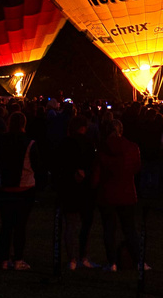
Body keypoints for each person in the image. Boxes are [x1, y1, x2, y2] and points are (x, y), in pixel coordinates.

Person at [97, 119, 145, 274]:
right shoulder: (132, 147)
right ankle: (138, 261)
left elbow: (97, 173)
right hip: (126, 192)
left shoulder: (102, 149)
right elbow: (136, 168)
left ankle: (112, 262)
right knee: (130, 228)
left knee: (109, 229)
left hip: (107, 193)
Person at [55, 115, 100, 270]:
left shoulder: (64, 144)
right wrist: (85, 173)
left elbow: (58, 166)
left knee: (70, 225)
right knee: (85, 225)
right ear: (83, 128)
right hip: (86, 190)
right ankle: (84, 256)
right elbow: (94, 165)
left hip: (69, 189)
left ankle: (72, 259)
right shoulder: (89, 144)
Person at [0, 110, 39, 270]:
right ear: (24, 125)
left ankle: (4, 259)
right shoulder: (30, 143)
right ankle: (18, 259)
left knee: (6, 225)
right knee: (20, 226)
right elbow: (37, 166)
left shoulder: (1, 141)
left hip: (5, 188)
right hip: (24, 189)